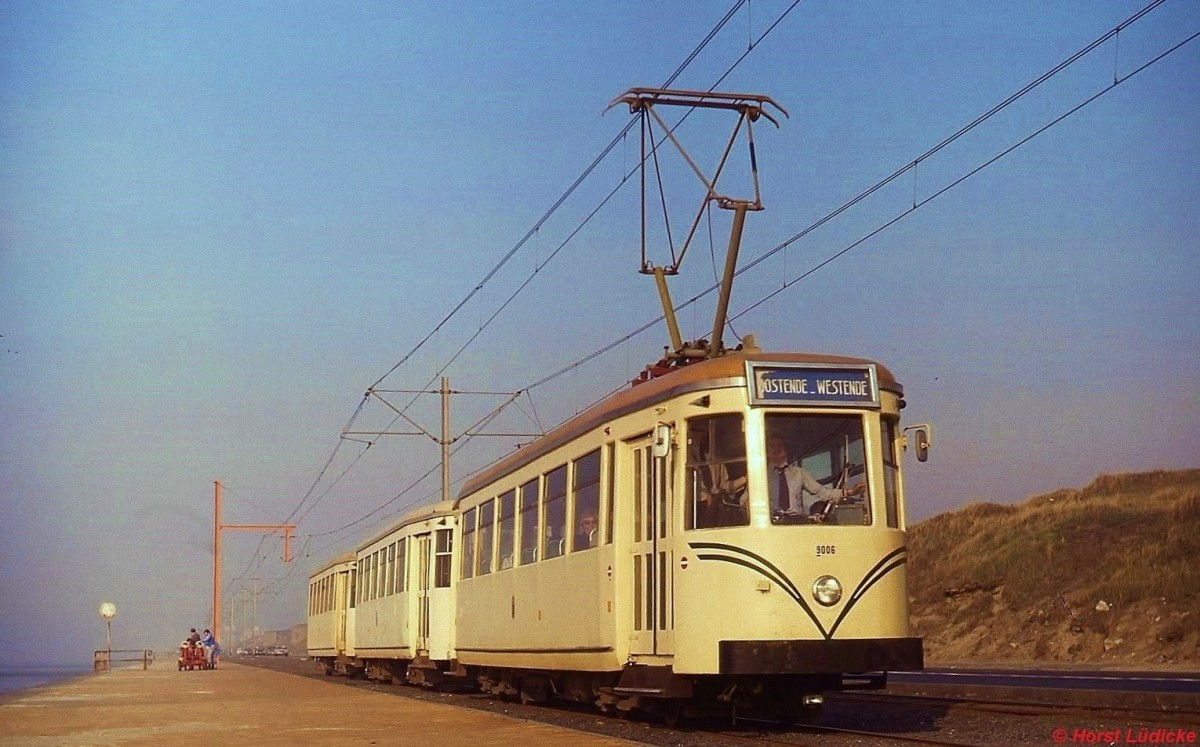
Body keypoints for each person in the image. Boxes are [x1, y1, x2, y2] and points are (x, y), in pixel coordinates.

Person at [765, 434, 864, 515]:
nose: (776, 448)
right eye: (772, 446)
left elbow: (821, 492)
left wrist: (850, 492)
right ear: (766, 452)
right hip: (769, 524)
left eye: (780, 445)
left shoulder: (799, 473)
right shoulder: (761, 475)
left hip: (795, 523)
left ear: (786, 449)